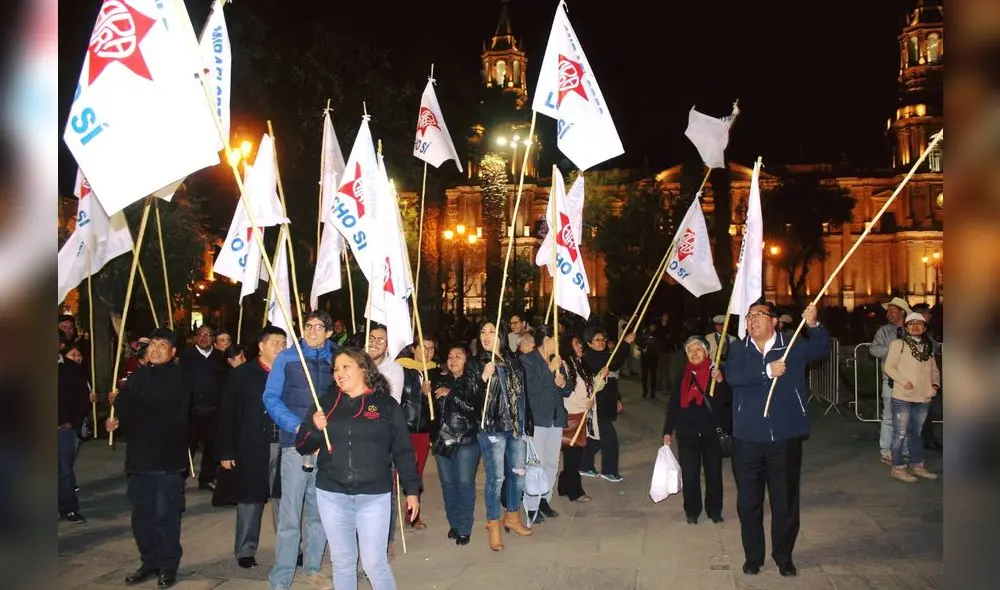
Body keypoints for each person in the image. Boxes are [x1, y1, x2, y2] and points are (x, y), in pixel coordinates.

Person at [297, 347, 421, 590]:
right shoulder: (325, 403)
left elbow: (403, 451)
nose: (339, 373)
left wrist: (412, 490)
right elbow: (302, 445)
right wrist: (313, 427)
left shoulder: (385, 406)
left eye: (346, 367)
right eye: (335, 369)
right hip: (332, 494)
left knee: (374, 564)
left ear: (363, 368)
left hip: (374, 496)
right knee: (342, 562)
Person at [725, 302, 829, 577]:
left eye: (759, 315)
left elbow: (821, 349)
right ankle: (753, 557)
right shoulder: (738, 348)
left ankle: (784, 556)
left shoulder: (792, 343)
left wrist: (814, 325)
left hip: (784, 437)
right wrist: (766, 372)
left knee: (784, 500)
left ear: (774, 321)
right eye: (749, 316)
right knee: (749, 501)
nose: (752, 320)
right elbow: (732, 377)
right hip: (747, 438)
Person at [105, 328, 191, 589]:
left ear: (173, 352)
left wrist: (126, 405)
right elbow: (129, 409)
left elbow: (160, 411)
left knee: (166, 515)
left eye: (162, 345)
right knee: (141, 516)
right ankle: (149, 561)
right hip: (139, 461)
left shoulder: (180, 379)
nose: (155, 349)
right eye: (152, 344)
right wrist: (115, 420)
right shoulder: (138, 377)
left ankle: (168, 565)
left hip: (167, 461)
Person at [262, 311, 336, 590]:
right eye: (308, 326)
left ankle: (313, 568)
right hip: (296, 445)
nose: (313, 330)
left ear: (329, 332)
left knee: (319, 512)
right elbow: (271, 397)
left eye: (320, 326)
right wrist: (297, 427)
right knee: (290, 516)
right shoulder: (287, 357)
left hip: (327, 447)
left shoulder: (336, 360)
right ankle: (281, 577)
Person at [214, 327, 287, 569]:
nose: (279, 347)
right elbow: (227, 415)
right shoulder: (242, 375)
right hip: (252, 445)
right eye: (274, 342)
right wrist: (226, 451)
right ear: (261, 346)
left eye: (283, 343)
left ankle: (289, 548)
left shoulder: (291, 373)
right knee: (250, 500)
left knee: (285, 499)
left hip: (285, 445)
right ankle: (245, 549)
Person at [474, 321, 533, 551]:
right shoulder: (478, 363)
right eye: (483, 332)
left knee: (518, 474)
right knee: (496, 479)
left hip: (516, 427)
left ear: (501, 336)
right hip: (492, 428)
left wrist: (527, 422)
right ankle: (493, 525)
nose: (486, 336)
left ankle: (513, 517)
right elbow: (471, 398)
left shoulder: (514, 361)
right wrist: (482, 378)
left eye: (492, 331)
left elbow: (522, 395)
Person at [662, 336, 731, 524]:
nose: (694, 353)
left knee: (713, 474)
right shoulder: (682, 375)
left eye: (698, 349)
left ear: (707, 352)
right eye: (690, 350)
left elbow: (726, 400)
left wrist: (721, 381)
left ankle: (714, 510)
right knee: (690, 474)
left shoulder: (717, 373)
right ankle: (692, 510)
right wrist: (667, 430)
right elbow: (674, 404)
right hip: (687, 432)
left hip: (711, 432)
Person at [519, 325, 572, 523]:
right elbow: (529, 388)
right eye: (556, 341)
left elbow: (567, 390)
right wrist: (549, 371)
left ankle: (544, 500)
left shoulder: (557, 361)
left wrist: (563, 384)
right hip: (537, 419)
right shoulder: (527, 360)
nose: (558, 346)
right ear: (547, 340)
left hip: (555, 418)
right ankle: (531, 507)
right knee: (535, 465)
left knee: (552, 464)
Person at [431, 345, 482, 545]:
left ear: (466, 360)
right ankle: (453, 523)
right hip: (443, 440)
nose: (453, 360)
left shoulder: (473, 381)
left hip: (466, 440)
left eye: (458, 356)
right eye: (450, 356)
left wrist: (450, 393)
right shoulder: (440, 380)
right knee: (448, 484)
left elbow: (472, 409)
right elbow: (433, 412)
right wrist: (426, 393)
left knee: (464, 484)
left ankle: (464, 526)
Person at [882, 312, 941, 483]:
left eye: (919, 323)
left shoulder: (927, 347)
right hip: (903, 397)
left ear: (924, 327)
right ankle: (898, 467)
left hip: (923, 398)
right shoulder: (898, 344)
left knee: (916, 433)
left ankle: (917, 465)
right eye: (911, 323)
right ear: (906, 328)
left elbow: (934, 370)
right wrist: (904, 381)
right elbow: (889, 367)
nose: (915, 326)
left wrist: (935, 385)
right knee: (900, 433)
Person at [579, 326, 635, 482]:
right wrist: (624, 344)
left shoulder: (602, 355)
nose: (601, 342)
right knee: (609, 439)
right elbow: (614, 363)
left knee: (595, 438)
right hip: (597, 405)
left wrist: (617, 398)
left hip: (606, 402)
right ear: (589, 343)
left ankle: (585, 465)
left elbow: (610, 379)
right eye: (597, 340)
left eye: (603, 339)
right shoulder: (590, 357)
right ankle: (609, 470)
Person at [395, 337, 439, 530]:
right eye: (423, 347)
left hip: (423, 430)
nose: (427, 352)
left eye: (431, 348)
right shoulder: (400, 369)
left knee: (417, 472)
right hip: (404, 428)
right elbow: (396, 396)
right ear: (414, 349)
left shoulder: (435, 371)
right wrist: (419, 391)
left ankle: (412, 514)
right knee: (396, 473)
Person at [179, 325, 227, 491]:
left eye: (208, 334)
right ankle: (180, 477)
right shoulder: (186, 356)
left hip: (214, 410)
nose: (204, 337)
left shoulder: (221, 357)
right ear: (195, 338)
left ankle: (207, 479)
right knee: (188, 445)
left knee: (211, 446)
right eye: (201, 334)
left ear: (213, 338)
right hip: (192, 409)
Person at [869, 297, 911, 465]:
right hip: (890, 380)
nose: (889, 314)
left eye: (893, 311)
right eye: (888, 311)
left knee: (906, 416)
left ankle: (905, 449)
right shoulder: (883, 331)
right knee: (888, 417)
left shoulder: (912, 329)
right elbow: (874, 350)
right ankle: (886, 450)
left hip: (909, 381)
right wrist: (893, 349)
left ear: (902, 312)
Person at [557, 335, 595, 503]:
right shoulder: (564, 365)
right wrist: (585, 402)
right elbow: (568, 393)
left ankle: (564, 484)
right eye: (576, 344)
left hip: (582, 414)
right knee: (573, 453)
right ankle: (575, 491)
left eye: (580, 343)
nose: (580, 346)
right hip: (571, 414)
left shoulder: (581, 364)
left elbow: (588, 387)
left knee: (575, 453)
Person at [59, 340, 91, 524]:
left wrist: (72, 421)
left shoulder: (71, 368)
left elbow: (81, 397)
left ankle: (68, 508)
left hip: (63, 428)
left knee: (64, 470)